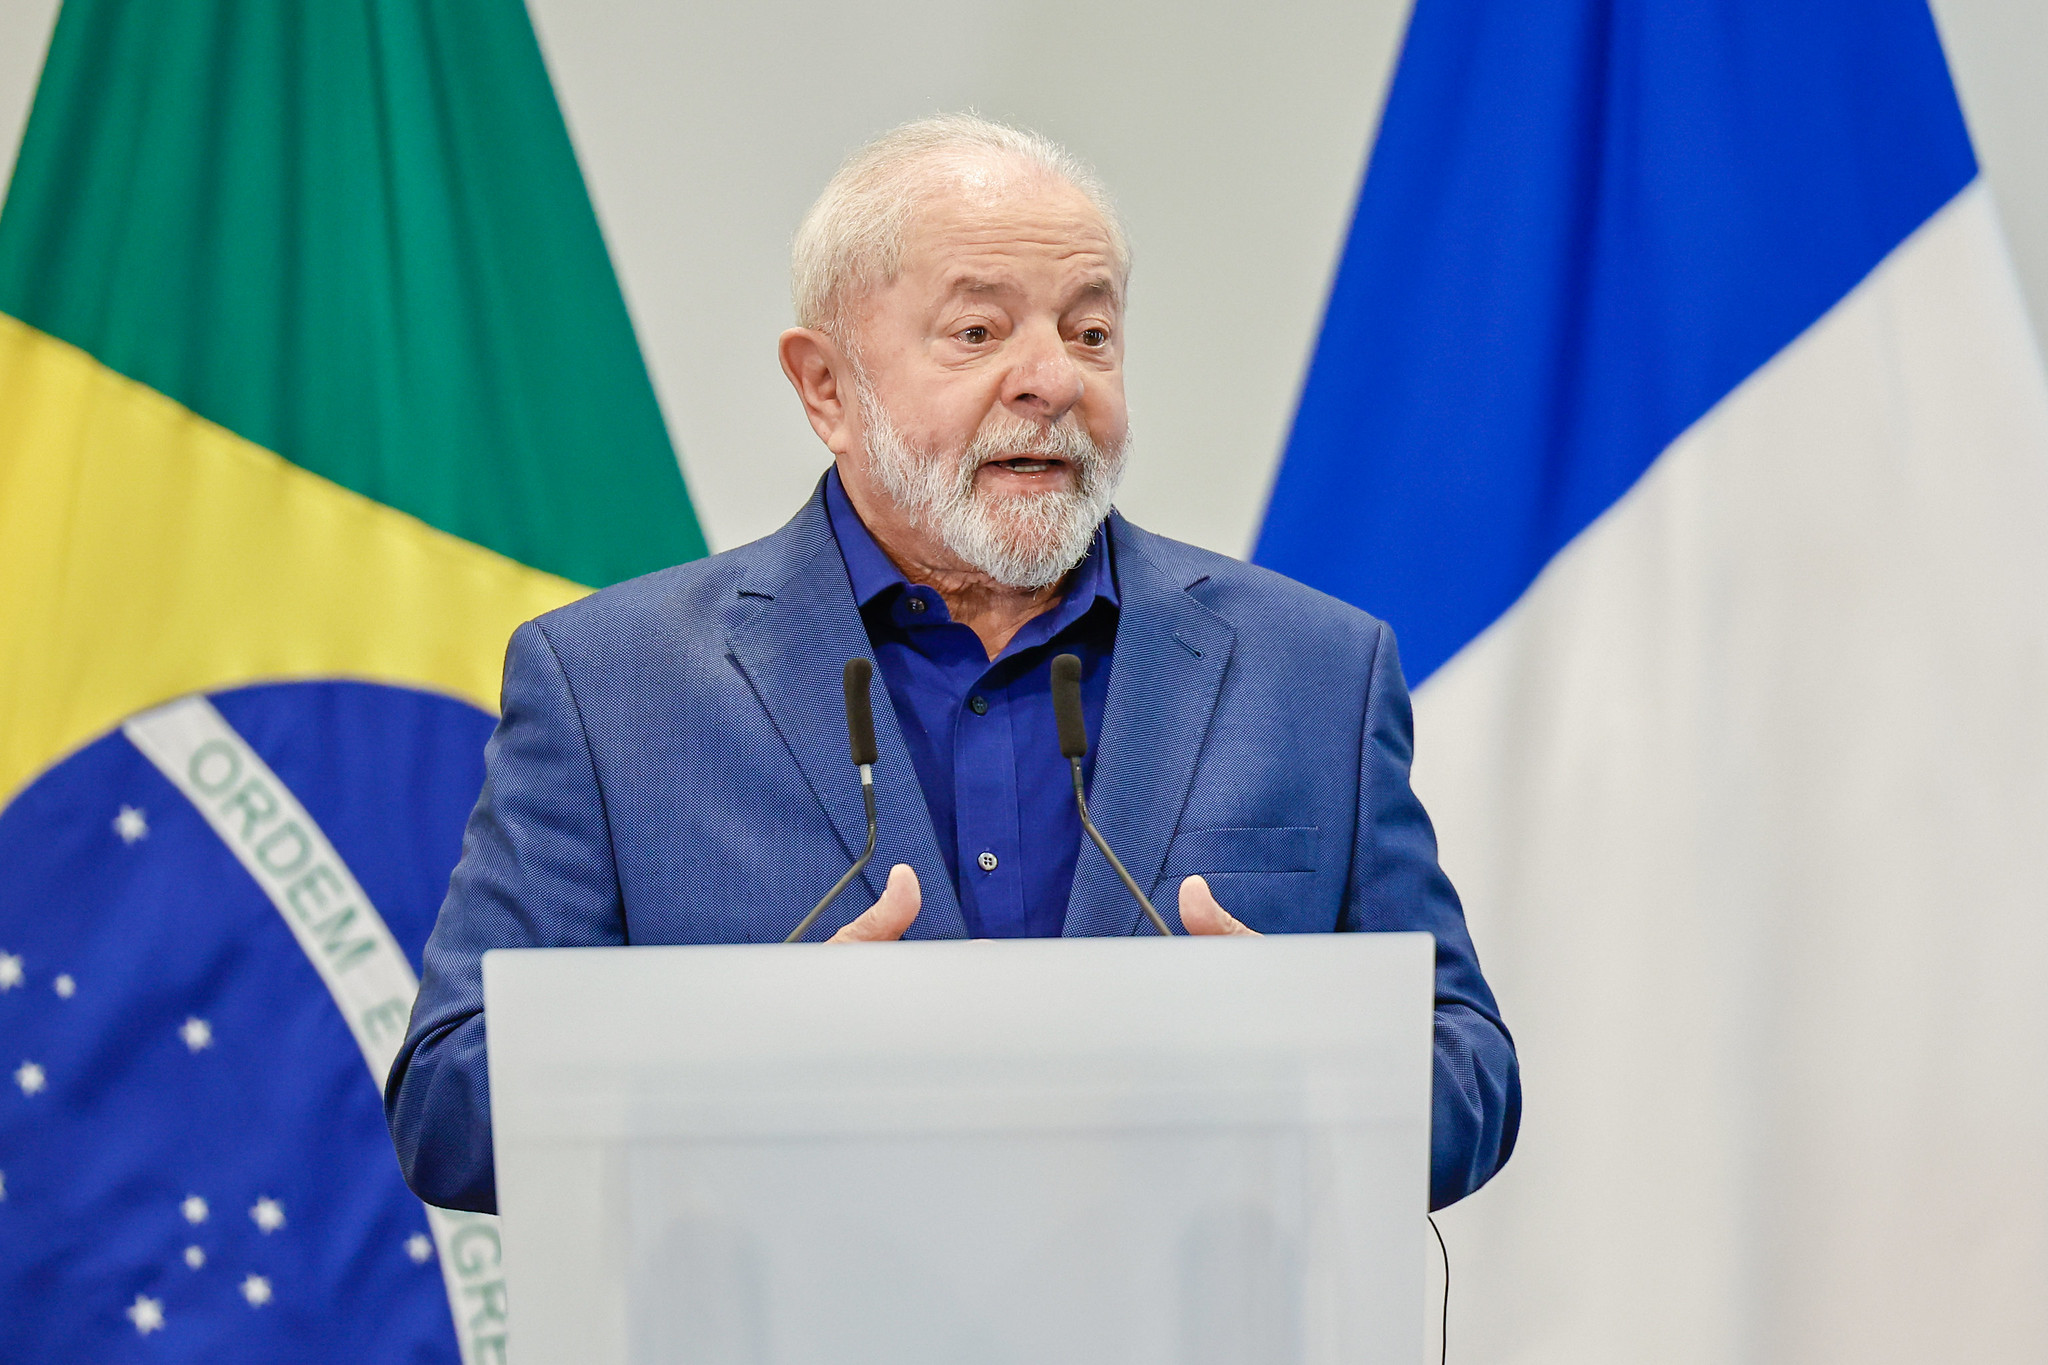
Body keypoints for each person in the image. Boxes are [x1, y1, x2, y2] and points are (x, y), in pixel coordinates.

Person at [385, 114, 1519, 1214]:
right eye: (978, 332)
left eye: (1090, 333)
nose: (1052, 379)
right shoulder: (608, 687)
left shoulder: (1312, 671)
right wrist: (756, 1052)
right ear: (826, 388)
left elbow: (1469, 1078)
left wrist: (1305, 1058)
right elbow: (448, 1110)